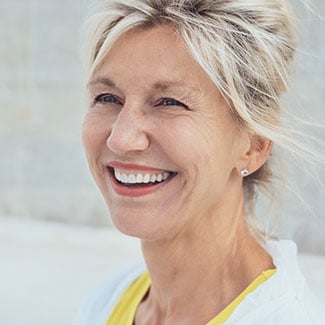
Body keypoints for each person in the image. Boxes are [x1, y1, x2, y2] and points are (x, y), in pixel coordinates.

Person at [75, 0, 325, 324]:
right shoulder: (109, 300)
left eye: (169, 102)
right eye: (107, 98)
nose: (120, 138)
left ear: (253, 146)